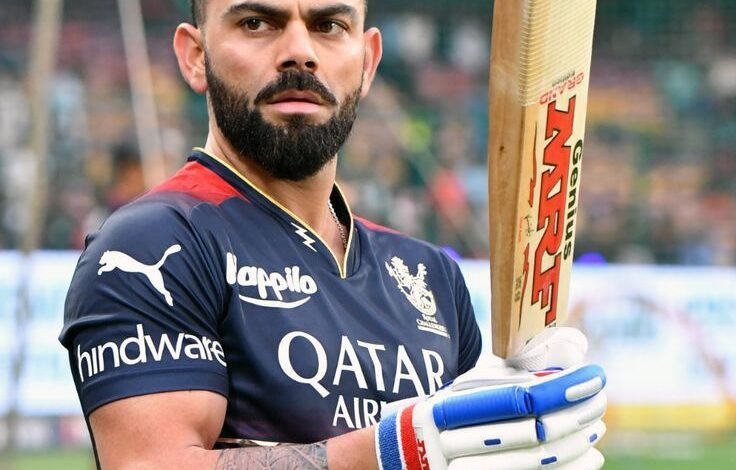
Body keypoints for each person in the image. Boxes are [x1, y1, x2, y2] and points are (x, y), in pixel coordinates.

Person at [60, 1, 606, 469]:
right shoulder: (153, 245)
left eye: (329, 25)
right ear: (195, 56)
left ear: (367, 62)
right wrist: (398, 448)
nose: (299, 51)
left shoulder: (430, 275)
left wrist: (517, 433)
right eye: (257, 23)